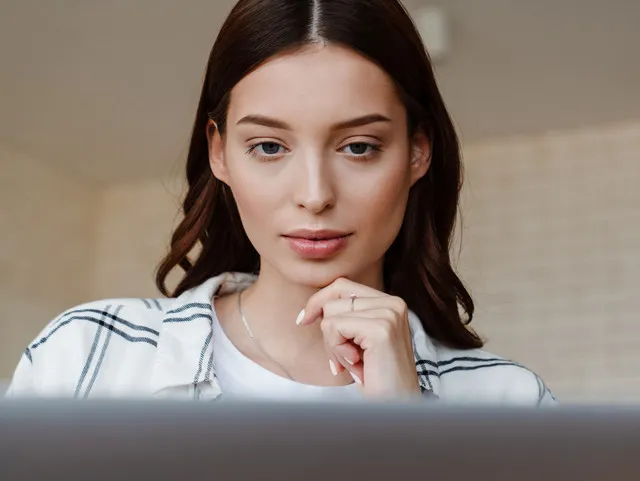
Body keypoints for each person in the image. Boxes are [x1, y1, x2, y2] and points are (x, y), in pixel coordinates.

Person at [6, 0, 554, 404]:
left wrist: (405, 428)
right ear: (219, 154)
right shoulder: (83, 357)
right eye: (269, 146)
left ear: (417, 153)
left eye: (359, 147)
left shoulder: (508, 400)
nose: (314, 195)